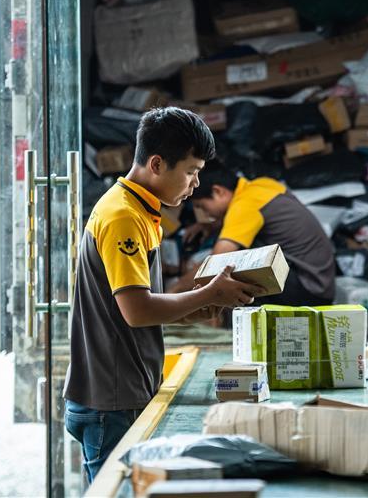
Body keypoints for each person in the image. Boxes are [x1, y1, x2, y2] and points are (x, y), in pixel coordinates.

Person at [63, 107, 264, 482]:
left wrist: (203, 305)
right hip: (112, 398)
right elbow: (137, 311)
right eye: (190, 171)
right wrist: (207, 293)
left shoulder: (141, 211)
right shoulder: (123, 217)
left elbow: (140, 308)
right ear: (156, 164)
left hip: (118, 392)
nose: (195, 184)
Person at [180, 159, 336, 307]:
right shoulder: (261, 185)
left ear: (218, 191)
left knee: (235, 261)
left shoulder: (244, 206)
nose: (205, 213)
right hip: (322, 284)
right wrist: (210, 226)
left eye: (202, 206)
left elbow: (216, 263)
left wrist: (175, 290)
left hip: (309, 292)